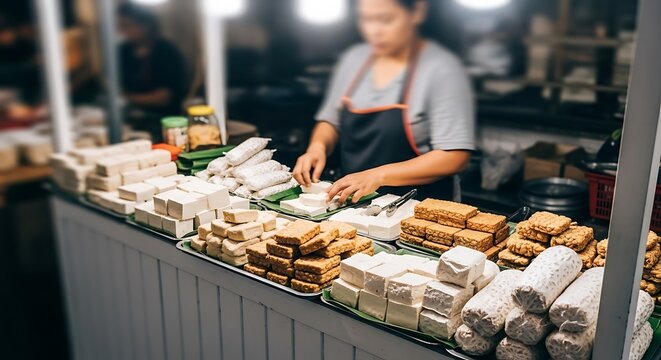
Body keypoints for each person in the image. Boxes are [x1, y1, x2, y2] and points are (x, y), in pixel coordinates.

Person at [292, 0, 475, 203]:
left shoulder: (441, 68)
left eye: (386, 20)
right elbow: (331, 120)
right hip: (354, 204)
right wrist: (317, 147)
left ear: (417, 12)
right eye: (366, 19)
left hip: (420, 209)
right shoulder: (354, 59)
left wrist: (377, 175)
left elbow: (455, 157)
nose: (374, 31)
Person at [118, 3, 186, 138]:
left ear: (145, 25)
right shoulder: (123, 51)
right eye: (120, 26)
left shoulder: (165, 51)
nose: (123, 31)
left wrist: (125, 98)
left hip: (163, 122)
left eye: (127, 25)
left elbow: (163, 98)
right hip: (129, 118)